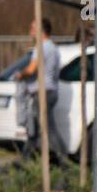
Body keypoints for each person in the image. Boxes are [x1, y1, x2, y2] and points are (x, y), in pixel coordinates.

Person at [14, 17, 68, 159]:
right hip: (50, 91)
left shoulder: (41, 47)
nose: (30, 31)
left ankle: (63, 160)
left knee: (47, 128)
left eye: (33, 28)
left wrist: (20, 74)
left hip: (43, 93)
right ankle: (26, 161)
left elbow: (32, 70)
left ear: (41, 30)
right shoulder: (53, 48)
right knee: (36, 129)